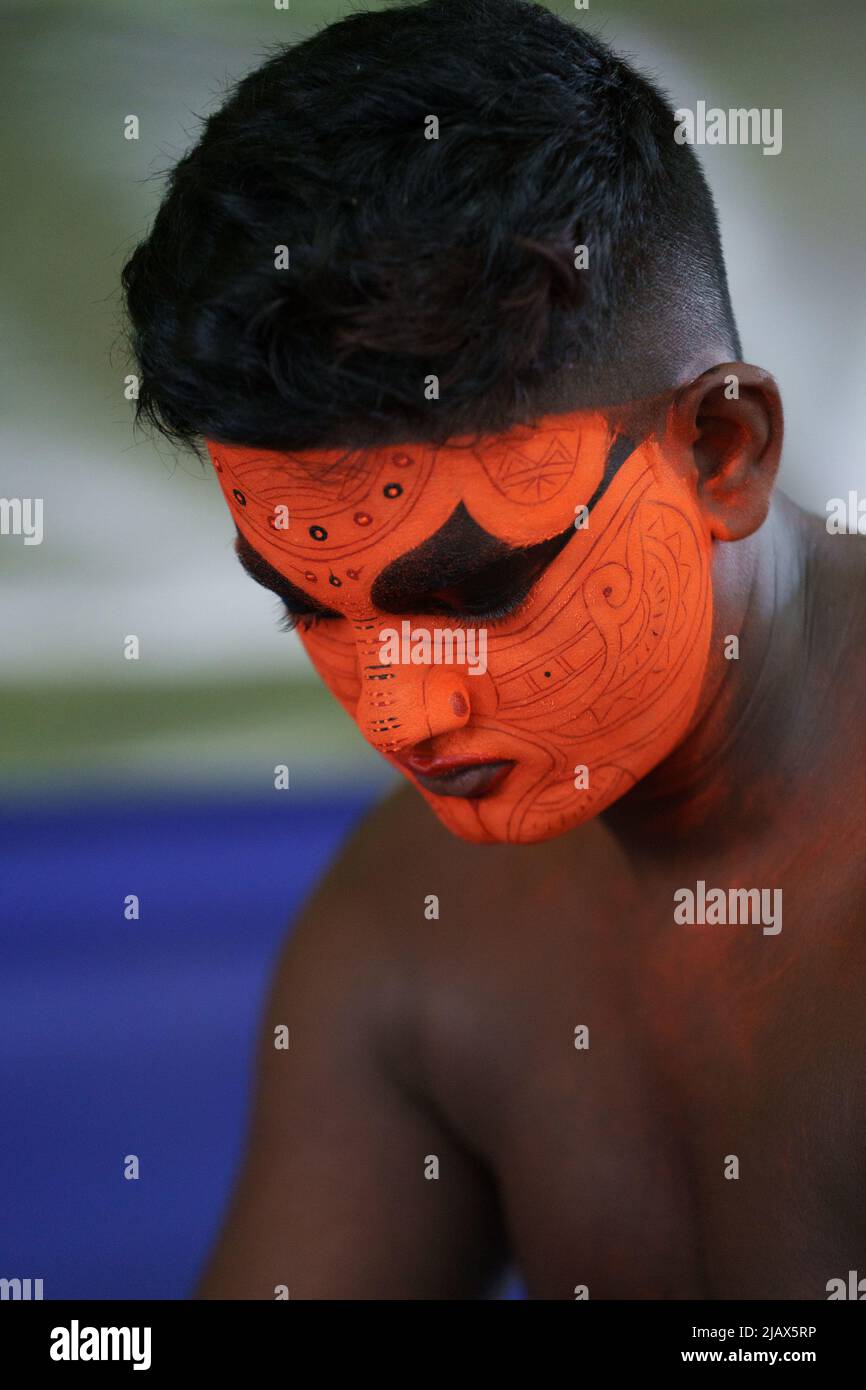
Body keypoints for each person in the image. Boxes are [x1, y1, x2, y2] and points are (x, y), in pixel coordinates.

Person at [121, 0, 866, 1298]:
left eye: (470, 592)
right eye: (310, 604)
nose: (397, 716)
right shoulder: (412, 918)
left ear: (721, 450)